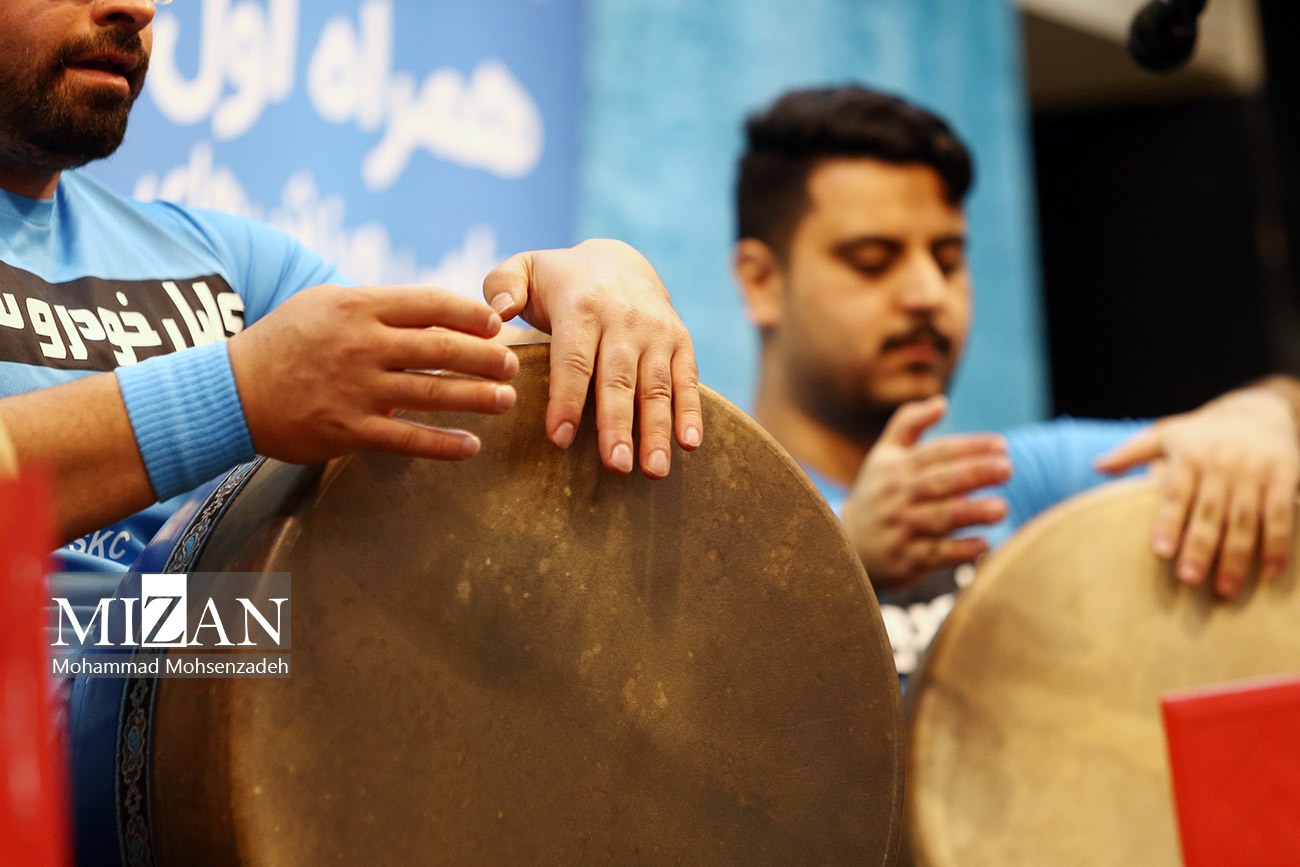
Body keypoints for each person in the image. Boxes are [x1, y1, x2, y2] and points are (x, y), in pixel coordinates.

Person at [0, 0, 703, 575]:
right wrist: (239, 394)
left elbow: (444, 430)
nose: (135, 7)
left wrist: (596, 290)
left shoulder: (234, 263)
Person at [732, 84, 1300, 676]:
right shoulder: (708, 533)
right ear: (760, 281)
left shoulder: (1018, 485)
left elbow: (1265, 423)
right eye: (873, 260)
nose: (928, 293)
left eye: (948, 259)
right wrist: (835, 550)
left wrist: (1259, 419)